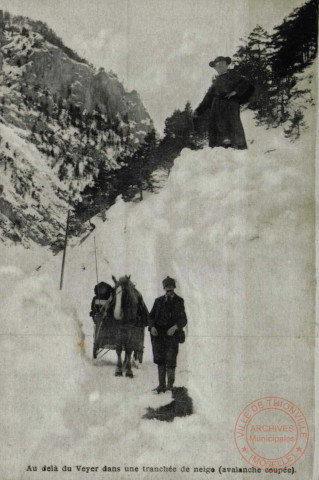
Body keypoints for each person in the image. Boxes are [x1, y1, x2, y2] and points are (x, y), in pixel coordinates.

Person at [194, 56, 254, 149]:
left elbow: (246, 83)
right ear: (215, 67)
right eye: (217, 65)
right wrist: (198, 111)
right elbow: (207, 98)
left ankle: (236, 147)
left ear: (227, 65)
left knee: (232, 125)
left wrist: (236, 92)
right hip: (216, 108)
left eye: (222, 64)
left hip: (230, 106)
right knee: (216, 127)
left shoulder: (233, 76)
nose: (219, 67)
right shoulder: (215, 83)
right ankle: (218, 149)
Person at [149, 276, 188, 393]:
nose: (168, 289)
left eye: (171, 287)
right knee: (160, 360)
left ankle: (170, 386)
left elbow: (183, 319)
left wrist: (175, 327)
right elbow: (150, 317)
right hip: (158, 337)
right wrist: (151, 327)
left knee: (170, 360)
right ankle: (161, 386)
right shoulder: (158, 301)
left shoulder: (179, 301)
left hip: (172, 337)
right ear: (164, 288)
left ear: (174, 287)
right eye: (166, 287)